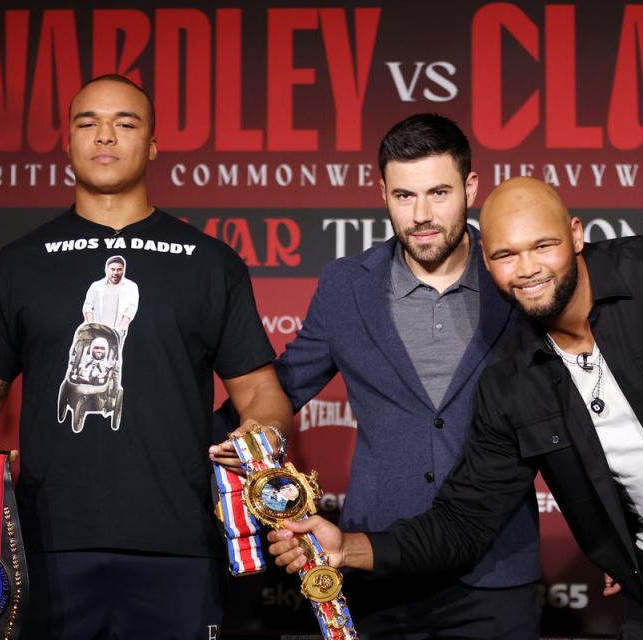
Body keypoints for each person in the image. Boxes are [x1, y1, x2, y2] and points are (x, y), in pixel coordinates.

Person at [269, 177, 643, 638]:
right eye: (505, 255)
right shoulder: (510, 382)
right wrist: (350, 547)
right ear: (485, 263)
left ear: (576, 234)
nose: (528, 269)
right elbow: (465, 520)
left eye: (543, 246)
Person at [0, 74, 293, 639]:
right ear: (68, 142)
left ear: (151, 145)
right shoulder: (16, 266)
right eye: (88, 123)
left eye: (124, 123)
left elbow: (260, 394)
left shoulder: (210, 264)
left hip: (179, 547)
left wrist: (258, 443)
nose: (105, 136)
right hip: (45, 552)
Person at [212, 115, 541, 639]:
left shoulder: (516, 279)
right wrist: (218, 439)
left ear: (471, 188)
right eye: (405, 196)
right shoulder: (346, 286)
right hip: (376, 563)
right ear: (382, 193)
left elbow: (586, 413)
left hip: (497, 566)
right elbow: (285, 385)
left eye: (439, 192)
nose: (423, 215)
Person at [83, 254, 139, 332]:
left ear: (124, 270)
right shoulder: (96, 286)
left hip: (118, 332)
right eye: (112, 269)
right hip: (97, 330)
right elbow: (88, 306)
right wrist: (92, 326)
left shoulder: (131, 286)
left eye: (119, 269)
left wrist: (118, 329)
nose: (116, 272)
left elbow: (131, 309)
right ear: (106, 269)